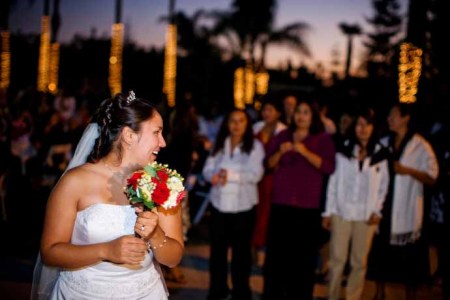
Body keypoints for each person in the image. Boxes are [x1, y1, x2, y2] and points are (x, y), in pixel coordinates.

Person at [32, 91, 184, 299]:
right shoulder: (75, 182)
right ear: (129, 135)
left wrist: (156, 233)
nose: (163, 142)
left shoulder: (162, 183)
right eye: (157, 132)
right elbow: (50, 252)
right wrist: (106, 251)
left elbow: (173, 259)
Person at [262, 100, 336, 300]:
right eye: (298, 112)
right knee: (277, 258)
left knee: (303, 260)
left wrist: (305, 152)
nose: (301, 116)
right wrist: (279, 152)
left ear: (313, 116)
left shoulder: (322, 139)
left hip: (307, 209)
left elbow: (329, 167)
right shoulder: (282, 136)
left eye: (305, 112)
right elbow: (267, 164)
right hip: (281, 205)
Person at [367, 102, 439, 300]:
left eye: (393, 115)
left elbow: (433, 177)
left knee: (410, 259)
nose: (389, 119)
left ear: (405, 118)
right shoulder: (384, 142)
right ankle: (379, 294)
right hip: (385, 206)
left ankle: (410, 296)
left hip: (407, 208)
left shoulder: (420, 145)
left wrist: (408, 171)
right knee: (380, 255)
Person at [322, 108, 389, 300]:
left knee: (359, 261)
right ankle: (332, 295)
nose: (363, 129)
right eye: (359, 124)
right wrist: (328, 211)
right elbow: (333, 182)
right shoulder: (343, 149)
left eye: (367, 124)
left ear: (373, 127)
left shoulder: (380, 154)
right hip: (341, 211)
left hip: (366, 215)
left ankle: (353, 296)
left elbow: (384, 185)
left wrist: (378, 210)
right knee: (337, 259)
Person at [202, 109, 265, 300]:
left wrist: (232, 176)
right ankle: (218, 290)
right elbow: (207, 168)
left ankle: (241, 291)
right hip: (219, 204)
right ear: (227, 123)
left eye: (241, 121)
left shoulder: (255, 146)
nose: (236, 125)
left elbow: (256, 174)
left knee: (241, 254)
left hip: (243, 207)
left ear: (247, 124)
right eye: (232, 121)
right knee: (217, 253)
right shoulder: (220, 144)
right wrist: (211, 175)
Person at [251, 98, 286, 266]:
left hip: (274, 179)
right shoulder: (255, 128)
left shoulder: (284, 132)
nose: (267, 113)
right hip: (255, 178)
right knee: (255, 212)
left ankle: (263, 251)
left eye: (271, 110)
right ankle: (253, 248)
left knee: (268, 214)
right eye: (265, 110)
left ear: (278, 112)